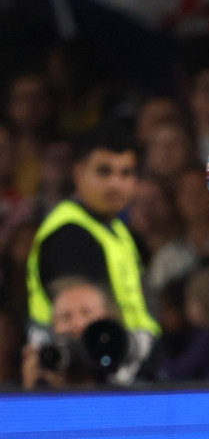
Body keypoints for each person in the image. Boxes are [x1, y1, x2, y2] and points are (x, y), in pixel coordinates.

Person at [25, 122, 159, 361]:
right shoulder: (69, 234)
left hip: (125, 367)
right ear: (79, 173)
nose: (115, 183)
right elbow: (81, 328)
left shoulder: (116, 228)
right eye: (104, 171)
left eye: (125, 173)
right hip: (87, 378)